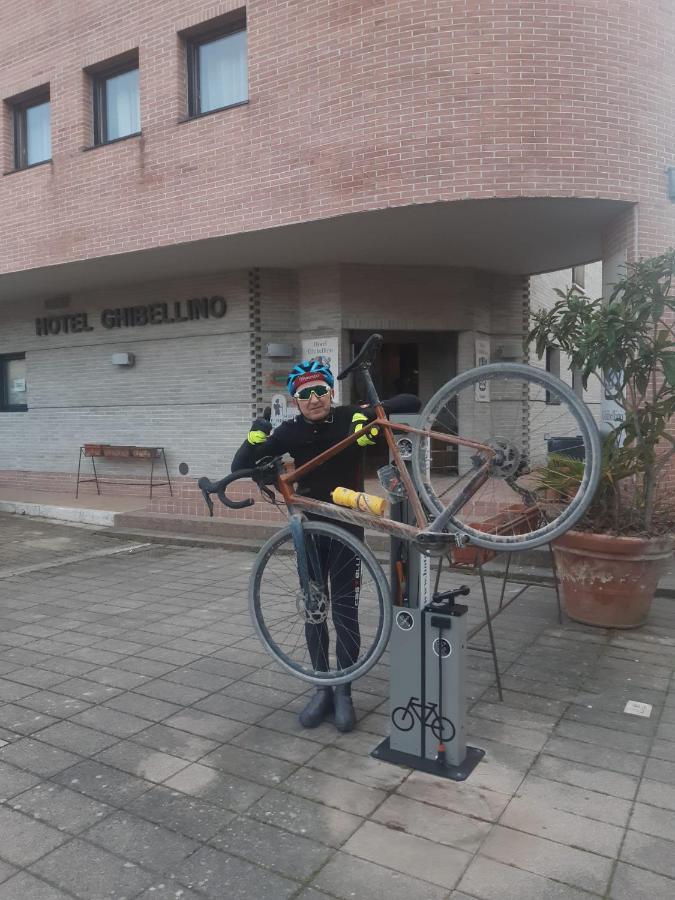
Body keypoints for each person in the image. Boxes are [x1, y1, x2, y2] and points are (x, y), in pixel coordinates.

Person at [232, 358, 419, 732]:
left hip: (348, 529)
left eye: (321, 391)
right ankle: (321, 687)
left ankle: (344, 691)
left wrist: (370, 412)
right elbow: (240, 464)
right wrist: (255, 436)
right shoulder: (288, 432)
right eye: (305, 394)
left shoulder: (350, 418)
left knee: (345, 611)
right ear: (295, 400)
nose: (314, 399)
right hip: (308, 530)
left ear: (331, 391)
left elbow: (412, 400)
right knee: (314, 610)